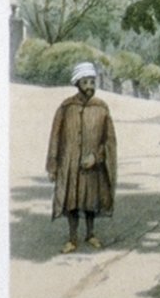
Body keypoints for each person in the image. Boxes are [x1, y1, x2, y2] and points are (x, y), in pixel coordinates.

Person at [46, 61, 117, 254]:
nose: (90, 87)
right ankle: (72, 238)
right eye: (85, 82)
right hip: (69, 165)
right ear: (77, 83)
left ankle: (91, 234)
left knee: (91, 202)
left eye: (92, 82)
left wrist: (96, 156)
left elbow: (109, 141)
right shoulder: (66, 107)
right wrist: (52, 164)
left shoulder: (102, 108)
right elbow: (55, 137)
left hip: (92, 166)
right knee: (72, 203)